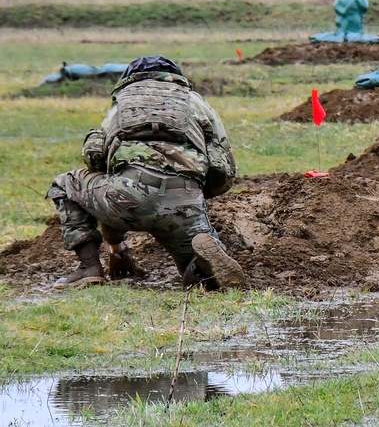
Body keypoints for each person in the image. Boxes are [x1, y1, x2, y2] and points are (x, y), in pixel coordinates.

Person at [45, 55, 246, 290]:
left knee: (64, 184)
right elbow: (224, 170)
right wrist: (198, 191)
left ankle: (89, 268)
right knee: (194, 259)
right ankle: (198, 269)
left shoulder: (122, 103)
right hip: (184, 201)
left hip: (127, 197)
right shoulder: (195, 102)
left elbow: (95, 158)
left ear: (128, 78)